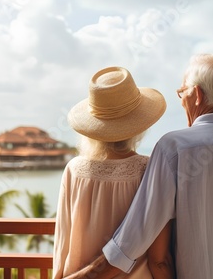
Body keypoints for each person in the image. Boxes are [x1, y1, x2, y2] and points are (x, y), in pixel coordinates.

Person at [64, 54, 213, 279]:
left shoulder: (175, 148)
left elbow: (132, 241)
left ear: (197, 95)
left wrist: (82, 277)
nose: (181, 100)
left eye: (182, 92)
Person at [53, 66, 174, 279]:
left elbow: (63, 243)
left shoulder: (74, 170)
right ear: (138, 124)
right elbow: (158, 258)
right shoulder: (147, 169)